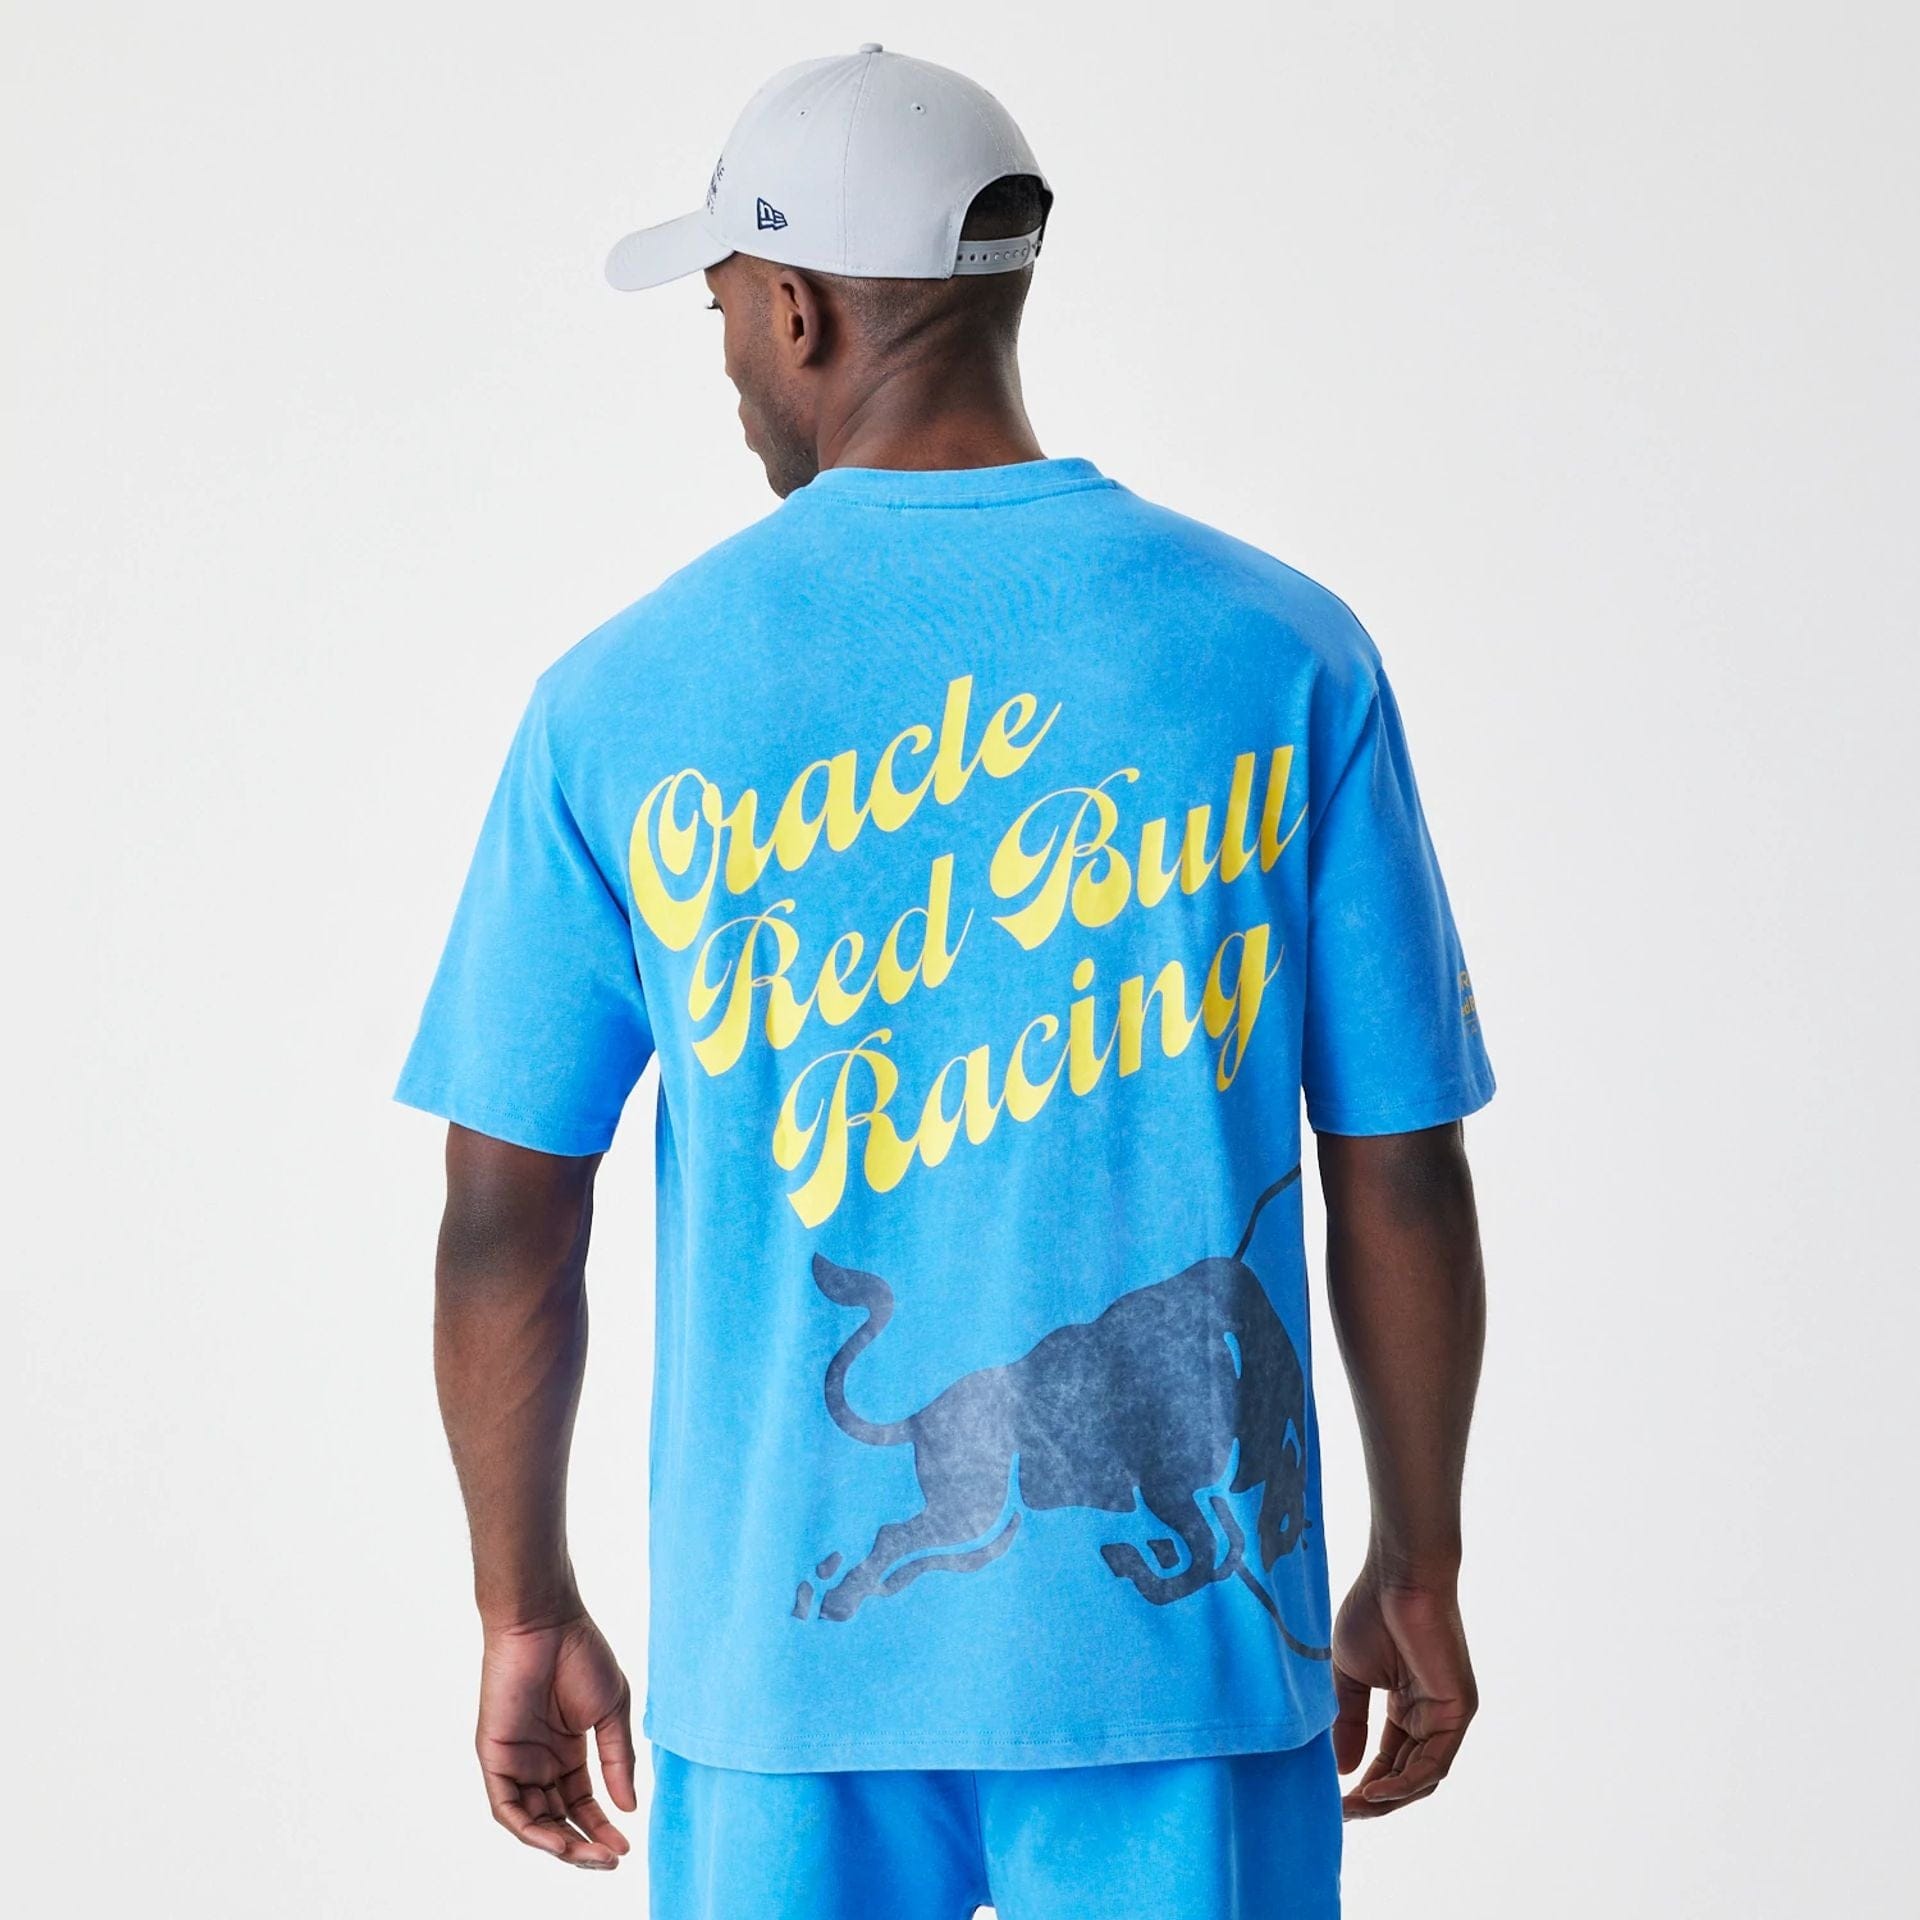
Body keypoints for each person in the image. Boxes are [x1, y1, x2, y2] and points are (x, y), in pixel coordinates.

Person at [396, 43, 1494, 1920]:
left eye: (725, 309)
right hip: (1192, 1672)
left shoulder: (622, 699)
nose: (728, 360)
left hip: (781, 1680)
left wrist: (523, 1606)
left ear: (798, 308)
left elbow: (506, 1216)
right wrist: (1417, 1559)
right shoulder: (1284, 655)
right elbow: (1399, 1168)